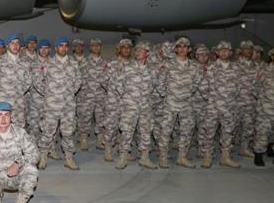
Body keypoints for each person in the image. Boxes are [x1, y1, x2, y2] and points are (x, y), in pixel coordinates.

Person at [35, 37, 82, 170]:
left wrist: (69, 93)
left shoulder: (73, 63)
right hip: (51, 105)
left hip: (68, 105)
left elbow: (78, 80)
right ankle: (43, 156)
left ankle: (69, 158)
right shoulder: (48, 63)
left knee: (68, 132)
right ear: (56, 48)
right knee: (47, 131)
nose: (64, 48)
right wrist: (49, 93)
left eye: (66, 45)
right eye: (61, 45)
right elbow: (38, 81)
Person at [156, 37, 202, 168]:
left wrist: (188, 93)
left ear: (189, 49)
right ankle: (163, 157)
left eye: (185, 47)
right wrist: (167, 95)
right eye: (179, 47)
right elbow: (160, 82)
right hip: (171, 103)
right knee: (166, 131)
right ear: (176, 49)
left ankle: (182, 157)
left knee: (187, 131)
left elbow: (197, 82)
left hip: (186, 104)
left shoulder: (194, 66)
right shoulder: (168, 64)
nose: (182, 49)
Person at [113, 41, 159, 170]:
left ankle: (144, 158)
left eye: (141, 50)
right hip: (130, 106)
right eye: (137, 50)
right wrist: (129, 97)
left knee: (145, 132)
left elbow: (154, 86)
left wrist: (145, 98)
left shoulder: (152, 70)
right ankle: (123, 157)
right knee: (126, 132)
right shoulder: (127, 67)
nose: (138, 52)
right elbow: (118, 85)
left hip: (145, 106)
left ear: (147, 53)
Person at [197, 41, 242, 168]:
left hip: (229, 107)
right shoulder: (211, 68)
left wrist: (229, 99)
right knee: (209, 132)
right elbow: (203, 86)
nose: (223, 52)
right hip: (213, 107)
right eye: (221, 50)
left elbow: (238, 87)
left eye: (226, 50)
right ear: (217, 52)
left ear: (230, 52)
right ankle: (207, 156)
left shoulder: (236, 68)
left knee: (228, 132)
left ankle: (225, 157)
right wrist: (212, 99)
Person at [0, 34, 31, 130]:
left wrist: (19, 91)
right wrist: (2, 92)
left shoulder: (25, 61)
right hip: (4, 101)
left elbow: (28, 79)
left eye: (17, 43)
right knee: (2, 128)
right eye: (12, 43)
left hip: (19, 102)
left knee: (20, 128)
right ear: (7, 46)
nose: (15, 45)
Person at [77, 38, 107, 150]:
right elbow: (78, 79)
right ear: (90, 47)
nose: (96, 47)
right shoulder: (84, 62)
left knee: (101, 118)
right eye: (94, 45)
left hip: (101, 96)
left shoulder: (105, 63)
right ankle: (84, 140)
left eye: (98, 45)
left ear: (101, 47)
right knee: (85, 118)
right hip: (87, 97)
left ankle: (100, 140)